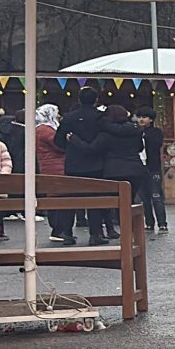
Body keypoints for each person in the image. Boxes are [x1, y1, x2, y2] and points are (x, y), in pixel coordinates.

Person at [56, 88, 112, 246]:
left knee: (70, 200)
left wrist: (71, 145)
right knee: (95, 200)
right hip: (96, 164)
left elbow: (58, 140)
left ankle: (67, 233)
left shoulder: (69, 118)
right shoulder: (100, 117)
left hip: (73, 163)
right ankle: (96, 234)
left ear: (79, 99)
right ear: (96, 100)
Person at [92, 104, 152, 242]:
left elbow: (95, 148)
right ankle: (130, 231)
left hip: (113, 170)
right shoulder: (135, 130)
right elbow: (139, 147)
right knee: (129, 201)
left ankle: (115, 228)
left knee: (114, 202)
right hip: (135, 169)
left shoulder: (105, 133)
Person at [133, 109, 168, 234]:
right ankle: (149, 222)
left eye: (145, 117)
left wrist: (144, 136)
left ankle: (162, 223)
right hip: (139, 168)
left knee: (156, 196)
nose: (141, 119)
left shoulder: (156, 132)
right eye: (139, 117)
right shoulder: (135, 132)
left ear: (151, 120)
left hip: (153, 168)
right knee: (144, 198)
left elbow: (156, 145)